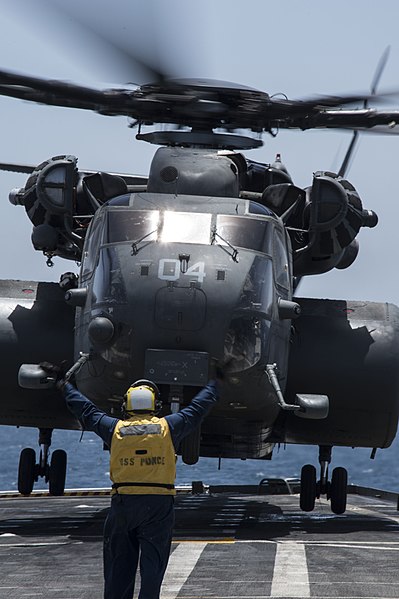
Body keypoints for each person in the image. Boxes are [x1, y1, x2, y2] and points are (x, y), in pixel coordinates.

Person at [56, 372, 219, 599]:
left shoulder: (115, 429)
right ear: (155, 405)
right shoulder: (167, 428)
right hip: (158, 506)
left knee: (118, 569)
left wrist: (64, 386)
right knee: (153, 568)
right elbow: (197, 409)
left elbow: (86, 410)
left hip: (123, 505)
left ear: (127, 404)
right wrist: (215, 383)